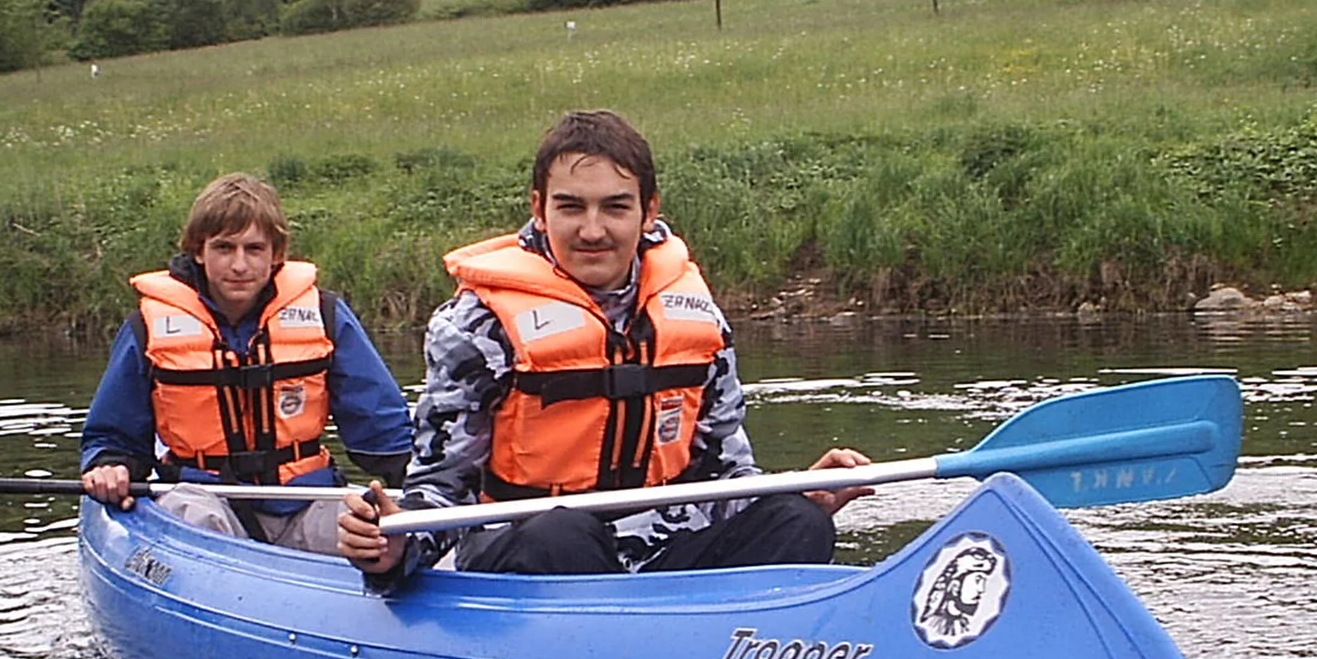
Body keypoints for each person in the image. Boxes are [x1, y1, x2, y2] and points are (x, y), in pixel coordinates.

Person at [337, 110, 871, 579]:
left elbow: (725, 474)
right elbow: (442, 484)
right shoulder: (475, 325)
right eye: (571, 207)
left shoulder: (697, 316)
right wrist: (398, 543)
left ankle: (730, 643)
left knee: (798, 521)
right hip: (527, 545)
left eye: (615, 208)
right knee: (561, 533)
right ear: (539, 208)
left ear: (649, 210)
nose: (593, 231)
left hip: (661, 547)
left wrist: (793, 493)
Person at [81, 172, 412, 553]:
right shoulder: (148, 327)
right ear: (199, 251)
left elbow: (382, 427)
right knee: (193, 517)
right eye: (224, 248)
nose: (239, 265)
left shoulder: (324, 315)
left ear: (276, 254)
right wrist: (111, 465)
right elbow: (113, 434)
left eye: (254, 249)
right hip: (202, 497)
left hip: (306, 499)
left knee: (371, 533)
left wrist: (425, 482)